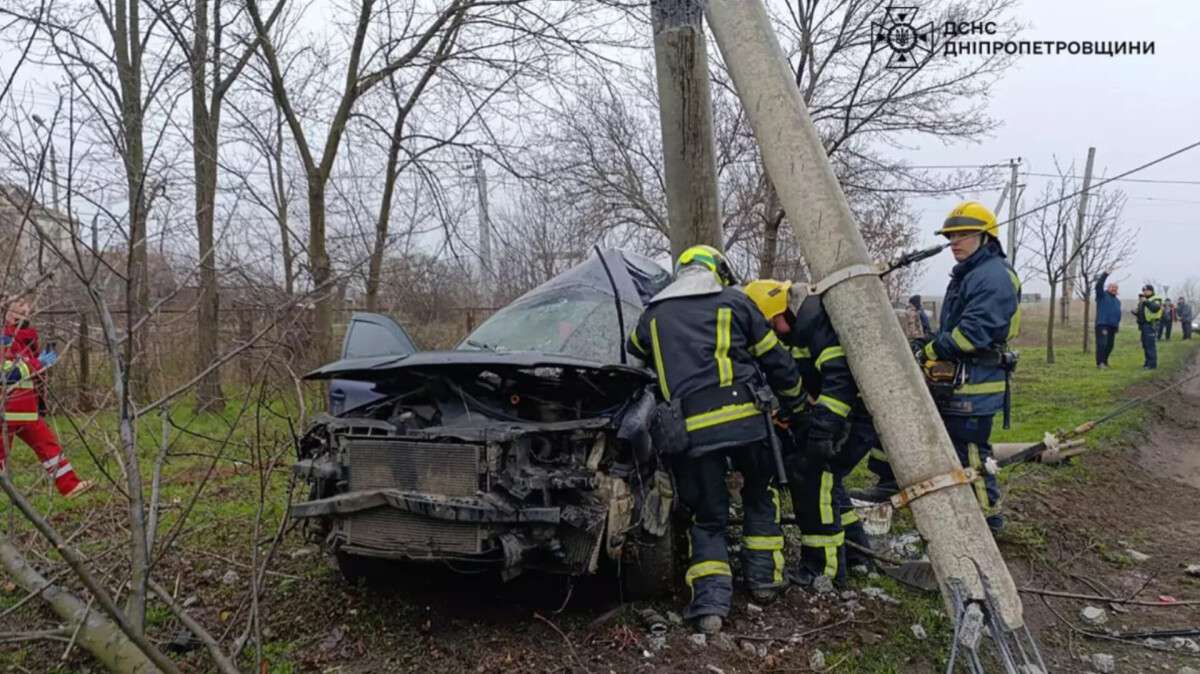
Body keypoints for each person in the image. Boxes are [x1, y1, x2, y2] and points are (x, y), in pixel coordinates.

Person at [625, 245, 805, 635]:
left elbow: (634, 353)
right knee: (760, 495)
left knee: (708, 517)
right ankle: (764, 583)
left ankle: (710, 607)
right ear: (717, 270)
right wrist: (798, 406)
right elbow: (777, 362)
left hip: (689, 431)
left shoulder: (653, 315)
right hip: (746, 424)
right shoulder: (736, 304)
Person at [744, 278, 879, 588]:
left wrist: (821, 432)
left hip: (848, 418)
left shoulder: (821, 325)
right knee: (831, 486)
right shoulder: (801, 329)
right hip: (833, 418)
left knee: (813, 480)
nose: (774, 332)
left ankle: (823, 570)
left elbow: (840, 382)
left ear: (784, 311)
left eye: (773, 323)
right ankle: (857, 554)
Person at [919, 202, 1020, 533]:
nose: (954, 242)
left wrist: (932, 349)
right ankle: (965, 515)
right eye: (951, 236)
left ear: (986, 237)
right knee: (957, 450)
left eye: (963, 235)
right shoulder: (971, 272)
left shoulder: (993, 276)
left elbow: (973, 333)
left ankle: (989, 522)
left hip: (977, 383)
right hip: (963, 381)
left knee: (973, 453)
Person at [0, 295, 92, 499]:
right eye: (20, 304)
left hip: (27, 411)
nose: (27, 307)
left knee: (48, 446)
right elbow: (6, 373)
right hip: (7, 410)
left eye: (27, 303)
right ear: (8, 313)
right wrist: (38, 363)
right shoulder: (4, 339)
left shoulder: (27, 338)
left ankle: (69, 486)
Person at [1094, 271, 1121, 369]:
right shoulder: (1102, 296)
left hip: (1112, 326)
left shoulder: (1117, 301)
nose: (1114, 289)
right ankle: (1100, 363)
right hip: (1102, 324)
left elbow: (1118, 314)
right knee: (1102, 344)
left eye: (1115, 288)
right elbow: (1098, 285)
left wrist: (1117, 326)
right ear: (1108, 288)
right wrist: (1105, 274)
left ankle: (1105, 362)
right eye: (1112, 287)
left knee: (1110, 345)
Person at [1134, 285, 1164, 369]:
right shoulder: (1144, 300)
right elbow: (1143, 312)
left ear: (1151, 291)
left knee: (1150, 344)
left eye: (1146, 290)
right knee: (1145, 345)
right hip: (1144, 325)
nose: (1144, 292)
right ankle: (1147, 362)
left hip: (1152, 324)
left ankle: (1152, 364)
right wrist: (1136, 312)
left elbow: (1155, 308)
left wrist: (1145, 301)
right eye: (1143, 290)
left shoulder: (1156, 299)